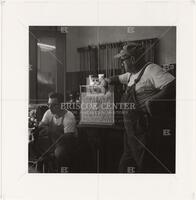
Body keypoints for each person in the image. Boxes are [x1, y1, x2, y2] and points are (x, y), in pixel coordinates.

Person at [102, 43, 175, 173]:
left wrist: (153, 101)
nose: (121, 64)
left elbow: (173, 85)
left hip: (144, 131)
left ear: (132, 59)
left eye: (123, 60)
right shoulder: (131, 74)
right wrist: (106, 81)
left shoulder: (151, 69)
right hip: (130, 131)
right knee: (125, 166)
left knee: (145, 167)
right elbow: (116, 79)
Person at [29, 92, 77, 172]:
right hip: (52, 143)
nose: (50, 108)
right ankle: (42, 170)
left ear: (62, 104)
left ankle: (63, 174)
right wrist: (39, 127)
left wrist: (50, 130)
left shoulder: (69, 117)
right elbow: (42, 125)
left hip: (65, 145)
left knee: (59, 153)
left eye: (54, 105)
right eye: (49, 104)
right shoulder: (49, 113)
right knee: (31, 146)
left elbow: (68, 137)